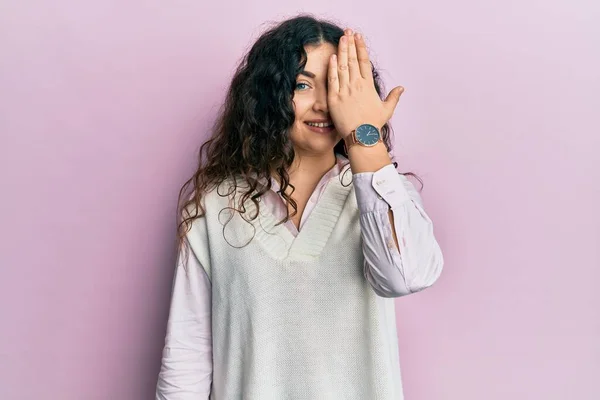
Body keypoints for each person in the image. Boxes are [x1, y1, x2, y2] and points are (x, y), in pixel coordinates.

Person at [155, 14, 444, 400]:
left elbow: (404, 277)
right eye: (303, 84)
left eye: (337, 85)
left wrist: (364, 138)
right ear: (270, 95)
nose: (324, 103)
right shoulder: (217, 204)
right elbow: (186, 357)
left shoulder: (386, 190)